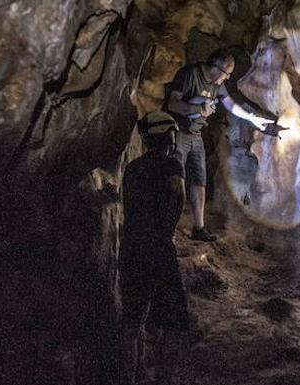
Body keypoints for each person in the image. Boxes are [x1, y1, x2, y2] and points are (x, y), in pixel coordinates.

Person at [164, 48, 274, 242]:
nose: (227, 78)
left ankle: (199, 229)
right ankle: (167, 228)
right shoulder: (190, 74)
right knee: (176, 181)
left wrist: (254, 119)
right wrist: (197, 108)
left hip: (196, 135)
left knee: (199, 181)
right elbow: (172, 104)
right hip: (177, 132)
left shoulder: (217, 84)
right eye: (227, 74)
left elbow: (230, 104)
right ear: (216, 68)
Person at [118, 111, 188, 385]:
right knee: (175, 319)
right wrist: (167, 231)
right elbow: (178, 195)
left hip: (132, 248)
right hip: (158, 250)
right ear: (169, 138)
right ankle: (165, 377)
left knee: (132, 318)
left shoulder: (132, 168)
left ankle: (128, 377)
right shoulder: (172, 166)